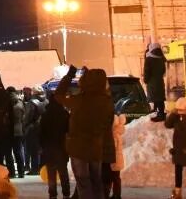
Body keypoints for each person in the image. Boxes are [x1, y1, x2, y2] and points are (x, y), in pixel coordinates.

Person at [54, 65, 113, 199]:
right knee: (96, 182)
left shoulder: (79, 100)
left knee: (83, 183)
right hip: (96, 147)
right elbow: (108, 123)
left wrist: (70, 76)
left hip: (78, 148)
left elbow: (58, 95)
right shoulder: (107, 101)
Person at [165, 97, 186, 199]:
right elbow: (167, 124)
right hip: (178, 148)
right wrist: (173, 114)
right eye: (178, 110)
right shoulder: (177, 116)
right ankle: (177, 192)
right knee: (178, 170)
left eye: (181, 110)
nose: (179, 112)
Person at [39, 92, 70, 199]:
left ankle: (52, 195)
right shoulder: (64, 113)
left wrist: (42, 146)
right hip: (61, 147)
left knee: (51, 174)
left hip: (48, 148)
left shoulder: (45, 114)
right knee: (63, 173)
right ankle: (66, 194)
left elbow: (41, 133)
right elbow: (69, 131)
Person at [22, 88, 45, 175]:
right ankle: (40, 168)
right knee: (40, 149)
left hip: (32, 129)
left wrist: (24, 126)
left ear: (34, 92)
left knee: (32, 150)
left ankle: (34, 169)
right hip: (42, 128)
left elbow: (28, 117)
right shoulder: (45, 101)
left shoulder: (32, 103)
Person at [103, 112, 124, 199]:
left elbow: (111, 149)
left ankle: (107, 195)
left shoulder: (113, 135)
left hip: (112, 160)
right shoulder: (117, 132)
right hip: (117, 160)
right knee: (116, 178)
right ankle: (117, 195)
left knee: (108, 179)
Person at [143, 42, 167, 121]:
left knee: (156, 97)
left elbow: (146, 71)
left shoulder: (149, 59)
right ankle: (160, 112)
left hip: (152, 82)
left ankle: (160, 115)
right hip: (160, 81)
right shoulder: (162, 58)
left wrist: (145, 80)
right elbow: (164, 71)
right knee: (160, 98)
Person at [7, 87, 26, 178]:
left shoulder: (7, 103)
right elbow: (24, 116)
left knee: (8, 152)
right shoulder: (20, 103)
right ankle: (21, 172)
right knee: (18, 152)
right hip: (19, 129)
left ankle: (11, 172)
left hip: (9, 130)